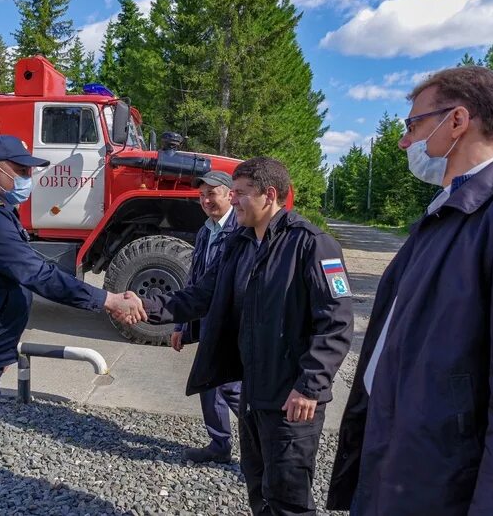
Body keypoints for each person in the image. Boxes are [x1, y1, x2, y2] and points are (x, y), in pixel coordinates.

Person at [327, 67, 493, 515]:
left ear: (457, 121)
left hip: (440, 481)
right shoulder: (450, 210)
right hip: (401, 460)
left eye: (413, 125)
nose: (404, 141)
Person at [0, 135, 145, 516]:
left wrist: (0, 349)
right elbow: (36, 274)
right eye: (22, 171)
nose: (29, 179)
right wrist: (107, 300)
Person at [135, 157, 354, 515]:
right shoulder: (238, 244)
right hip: (253, 389)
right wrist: (143, 307)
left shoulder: (313, 244)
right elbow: (199, 295)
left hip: (292, 398)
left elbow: (337, 322)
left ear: (269, 195)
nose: (231, 200)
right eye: (232, 193)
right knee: (258, 483)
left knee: (288, 496)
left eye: (239, 193)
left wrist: (310, 385)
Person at [170, 170, 241, 463]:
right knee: (208, 381)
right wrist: (181, 324)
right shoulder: (205, 230)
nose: (206, 200)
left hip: (233, 319)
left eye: (212, 193)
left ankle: (269, 438)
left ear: (229, 194)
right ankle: (219, 445)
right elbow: (193, 280)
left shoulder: (241, 230)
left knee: (232, 385)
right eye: (201, 195)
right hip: (208, 318)